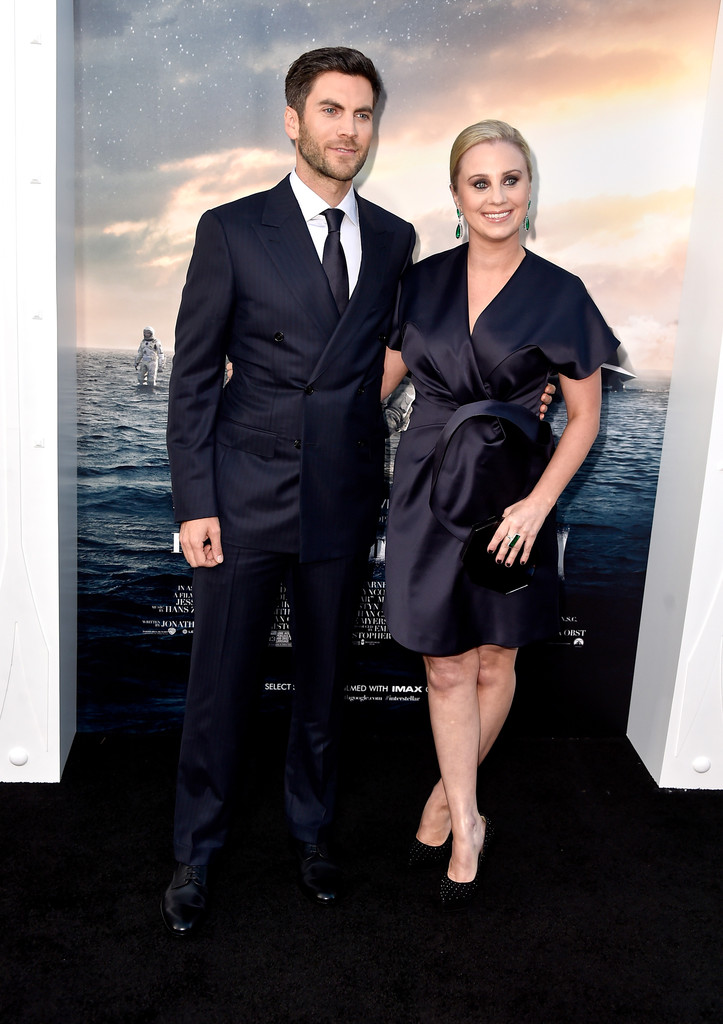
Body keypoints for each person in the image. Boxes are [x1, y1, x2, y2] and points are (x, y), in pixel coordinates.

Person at [162, 46, 417, 936]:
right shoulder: (230, 228)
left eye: (363, 114)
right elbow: (191, 377)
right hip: (240, 494)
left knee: (323, 681)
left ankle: (311, 832)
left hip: (342, 496)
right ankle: (195, 850)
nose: (349, 129)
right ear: (293, 119)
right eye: (333, 111)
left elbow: (394, 351)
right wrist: (194, 501)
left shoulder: (392, 237)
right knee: (218, 687)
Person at [382, 120, 619, 908]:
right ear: (455, 195)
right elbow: (368, 393)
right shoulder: (416, 286)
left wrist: (539, 502)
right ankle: (468, 813)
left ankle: (449, 805)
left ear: (529, 189)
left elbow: (583, 418)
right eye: (478, 182)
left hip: (514, 500)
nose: (495, 196)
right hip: (426, 491)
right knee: (444, 664)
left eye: (510, 180)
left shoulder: (560, 292)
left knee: (493, 662)